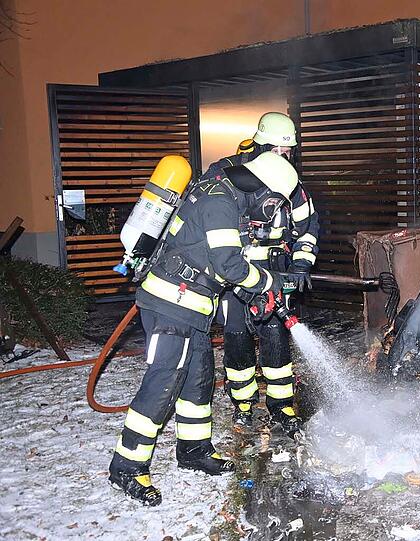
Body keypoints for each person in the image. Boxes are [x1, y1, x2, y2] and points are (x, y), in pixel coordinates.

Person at [108, 150, 296, 507]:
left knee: (197, 380)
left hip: (192, 307)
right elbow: (229, 266)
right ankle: (127, 467)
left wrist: (253, 294)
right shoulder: (220, 203)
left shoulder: (226, 199)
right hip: (170, 304)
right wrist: (269, 281)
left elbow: (218, 262)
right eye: (273, 204)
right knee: (164, 382)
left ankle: (193, 451)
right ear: (260, 190)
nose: (271, 213)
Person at [211, 112, 319, 435]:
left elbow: (308, 227)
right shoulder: (229, 174)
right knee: (237, 339)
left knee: (276, 338)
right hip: (234, 276)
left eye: (290, 153)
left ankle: (281, 406)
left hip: (275, 273)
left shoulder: (291, 183)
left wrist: (301, 264)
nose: (287, 159)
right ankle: (242, 406)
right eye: (282, 152)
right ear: (266, 146)